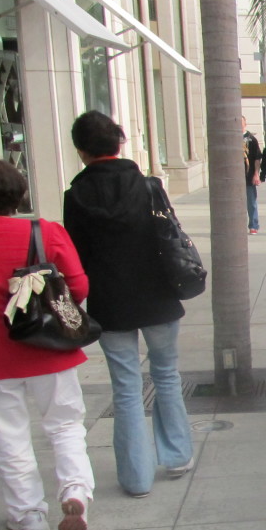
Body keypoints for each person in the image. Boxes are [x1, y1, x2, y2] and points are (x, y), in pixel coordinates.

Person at [63, 111, 194, 501]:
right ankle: (177, 456)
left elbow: (76, 256)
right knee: (166, 374)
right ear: (119, 144)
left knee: (125, 386)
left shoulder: (75, 197)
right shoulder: (148, 186)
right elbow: (167, 235)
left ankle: (136, 478)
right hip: (157, 296)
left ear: (81, 151)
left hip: (110, 301)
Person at [0, 156, 94, 530]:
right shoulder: (45, 231)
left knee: (8, 434)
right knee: (66, 425)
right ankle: (75, 492)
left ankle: (27, 514)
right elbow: (80, 286)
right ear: (19, 197)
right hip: (50, 346)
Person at [242, 116, 262, 234]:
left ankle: (253, 225)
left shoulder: (251, 140)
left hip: (248, 177)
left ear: (245, 124)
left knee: (251, 202)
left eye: (241, 123)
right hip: (234, 178)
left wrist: (256, 174)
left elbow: (257, 158)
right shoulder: (230, 138)